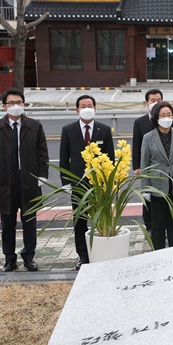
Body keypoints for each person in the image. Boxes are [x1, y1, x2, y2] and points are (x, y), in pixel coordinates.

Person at [0, 88, 49, 272]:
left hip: (28, 181)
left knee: (30, 222)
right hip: (5, 182)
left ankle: (29, 257)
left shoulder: (35, 126)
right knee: (7, 223)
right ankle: (9, 258)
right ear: (4, 106)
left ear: (24, 104)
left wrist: (42, 174)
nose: (15, 106)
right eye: (11, 103)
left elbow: (42, 153)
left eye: (19, 102)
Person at [60, 94, 114, 270]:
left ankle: (102, 252)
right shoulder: (68, 130)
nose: (87, 108)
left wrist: (109, 182)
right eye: (83, 106)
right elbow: (63, 158)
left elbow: (110, 158)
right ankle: (83, 256)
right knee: (80, 220)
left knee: (101, 218)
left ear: (96, 108)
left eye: (90, 105)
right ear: (77, 110)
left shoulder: (104, 130)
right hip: (78, 183)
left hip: (99, 183)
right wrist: (66, 182)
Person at [140, 101, 173, 250]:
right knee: (157, 224)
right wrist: (145, 188)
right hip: (157, 187)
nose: (166, 117)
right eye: (163, 115)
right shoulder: (148, 138)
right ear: (156, 117)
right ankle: (158, 253)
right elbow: (144, 164)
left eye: (169, 114)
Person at [132, 89, 173, 233]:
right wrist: (137, 167)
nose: (156, 103)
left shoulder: (169, 119)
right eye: (153, 100)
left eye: (159, 100)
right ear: (146, 103)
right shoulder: (140, 122)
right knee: (149, 199)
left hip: (166, 165)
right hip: (148, 166)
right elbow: (136, 145)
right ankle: (150, 227)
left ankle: (165, 226)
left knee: (166, 196)